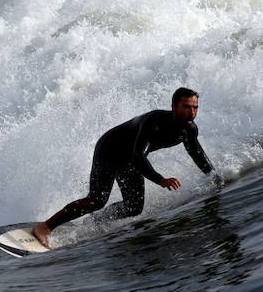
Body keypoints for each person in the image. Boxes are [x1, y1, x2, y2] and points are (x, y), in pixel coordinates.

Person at [32, 88, 215, 247]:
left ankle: (96, 221)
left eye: (195, 107)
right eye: (187, 107)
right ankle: (45, 227)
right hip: (110, 149)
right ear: (174, 106)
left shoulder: (189, 129)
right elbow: (138, 156)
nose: (192, 112)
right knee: (97, 199)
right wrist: (160, 179)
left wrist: (215, 177)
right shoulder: (155, 122)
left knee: (134, 207)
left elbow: (197, 154)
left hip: (129, 159)